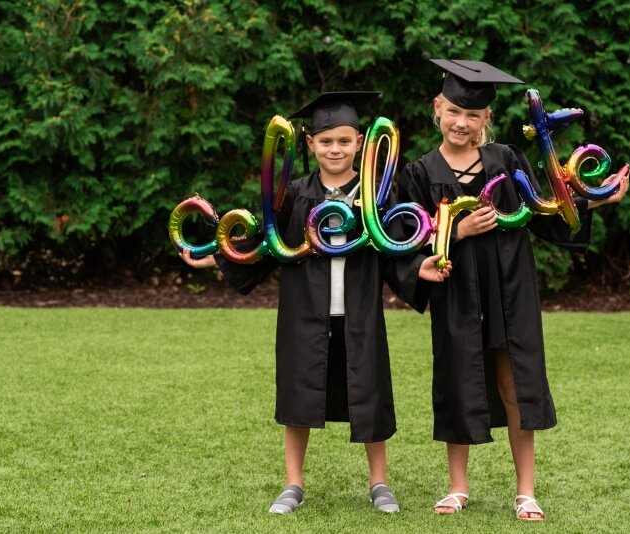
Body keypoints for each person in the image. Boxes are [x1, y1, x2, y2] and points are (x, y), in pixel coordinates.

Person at [180, 91, 449, 514]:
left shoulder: (375, 198)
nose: (335, 149)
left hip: (358, 311)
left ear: (360, 142)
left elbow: (394, 248)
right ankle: (293, 484)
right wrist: (214, 256)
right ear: (310, 145)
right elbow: (263, 246)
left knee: (371, 390)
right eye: (326, 142)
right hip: (304, 313)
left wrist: (419, 269)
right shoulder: (292, 195)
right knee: (297, 393)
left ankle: (380, 483)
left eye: (344, 141)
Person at [398, 60, 630, 521]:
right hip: (457, 291)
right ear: (437, 109)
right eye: (453, 112)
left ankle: (526, 491)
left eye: (473, 114)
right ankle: (457, 488)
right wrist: (458, 232)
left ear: (486, 119)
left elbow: (545, 211)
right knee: (458, 382)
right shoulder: (419, 172)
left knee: (514, 384)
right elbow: (407, 235)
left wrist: (590, 199)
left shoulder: (505, 159)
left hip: (509, 288)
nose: (461, 123)